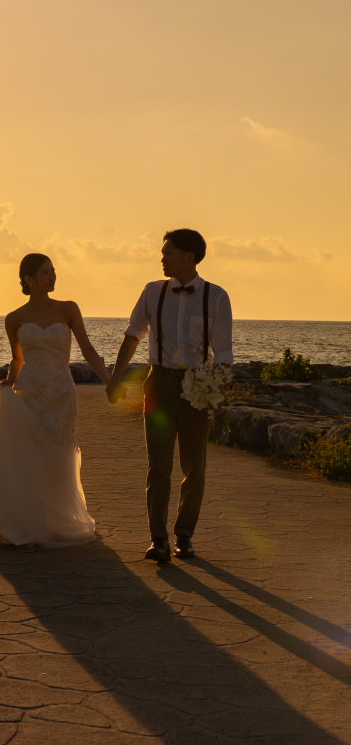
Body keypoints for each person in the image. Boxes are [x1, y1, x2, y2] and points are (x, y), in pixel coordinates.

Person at [0, 253, 112, 549]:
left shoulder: (69, 309)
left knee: (58, 456)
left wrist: (109, 380)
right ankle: (27, 522)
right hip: (29, 392)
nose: (53, 277)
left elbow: (87, 349)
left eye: (53, 271)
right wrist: (9, 381)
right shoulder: (14, 318)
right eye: (46, 273)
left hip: (62, 393)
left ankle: (53, 519)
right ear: (28, 280)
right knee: (29, 458)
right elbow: (18, 358)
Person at [107, 228, 233, 563]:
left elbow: (222, 353)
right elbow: (133, 335)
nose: (162, 258)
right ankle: (158, 539)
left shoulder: (216, 297)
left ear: (189, 257)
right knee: (158, 465)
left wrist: (217, 391)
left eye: (169, 253)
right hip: (159, 386)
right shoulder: (152, 292)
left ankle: (185, 535)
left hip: (198, 389)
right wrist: (116, 377)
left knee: (195, 468)